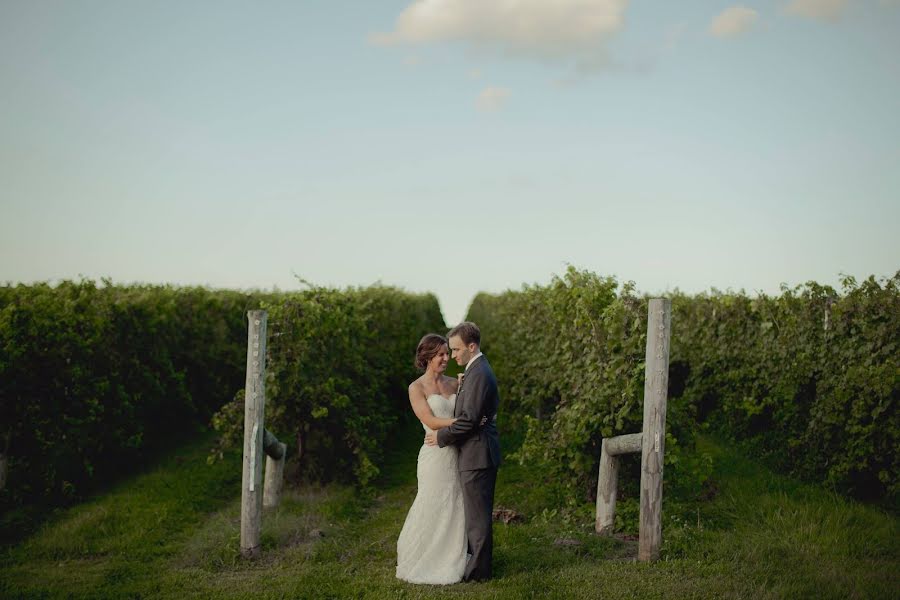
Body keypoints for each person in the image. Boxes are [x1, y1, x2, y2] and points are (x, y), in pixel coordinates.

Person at [425, 321, 501, 582]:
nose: (453, 355)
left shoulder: (479, 372)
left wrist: (440, 436)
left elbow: (469, 420)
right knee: (473, 515)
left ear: (472, 346)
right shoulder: (473, 370)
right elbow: (471, 415)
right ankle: (472, 564)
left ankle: (479, 573)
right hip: (474, 451)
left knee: (478, 518)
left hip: (478, 454)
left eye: (456, 350)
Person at [396, 333, 469, 585]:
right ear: (427, 357)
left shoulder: (455, 382)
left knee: (455, 502)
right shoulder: (416, 388)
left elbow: (468, 405)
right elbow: (430, 421)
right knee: (433, 501)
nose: (446, 358)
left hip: (457, 454)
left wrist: (463, 387)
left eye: (447, 353)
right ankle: (424, 557)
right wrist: (462, 423)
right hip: (434, 454)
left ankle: (452, 556)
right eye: (440, 355)